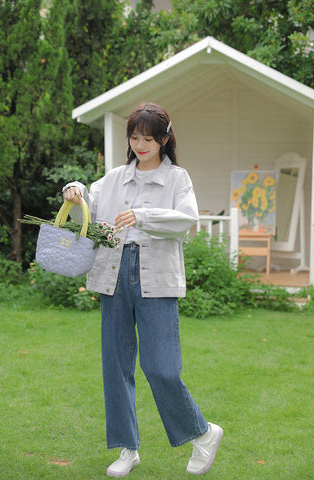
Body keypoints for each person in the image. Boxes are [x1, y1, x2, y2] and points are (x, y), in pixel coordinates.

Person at [63, 103, 223, 477]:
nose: (140, 144)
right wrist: (75, 194)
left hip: (157, 277)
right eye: (134, 137)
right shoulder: (115, 177)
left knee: (160, 367)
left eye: (148, 138)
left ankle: (202, 433)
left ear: (165, 139)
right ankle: (127, 449)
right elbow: (86, 214)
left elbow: (185, 220)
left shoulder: (177, 179)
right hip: (113, 274)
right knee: (116, 366)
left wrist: (142, 215)